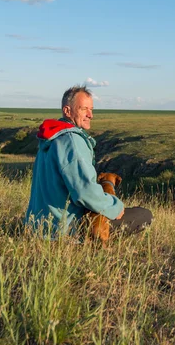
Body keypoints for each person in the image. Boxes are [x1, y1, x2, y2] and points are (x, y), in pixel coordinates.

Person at [25, 85, 153, 239]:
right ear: (67, 111)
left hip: (38, 226)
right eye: (84, 109)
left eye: (91, 109)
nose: (90, 115)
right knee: (144, 215)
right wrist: (115, 207)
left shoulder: (51, 138)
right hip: (65, 229)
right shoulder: (72, 141)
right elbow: (84, 192)